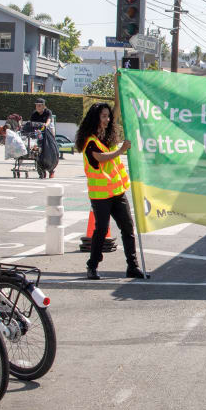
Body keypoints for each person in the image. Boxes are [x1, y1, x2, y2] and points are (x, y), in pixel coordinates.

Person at [75, 102, 143, 280]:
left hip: (117, 192)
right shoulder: (90, 141)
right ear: (95, 118)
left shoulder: (109, 134)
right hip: (101, 196)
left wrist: (117, 80)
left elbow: (118, 107)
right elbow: (100, 158)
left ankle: (133, 266)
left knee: (128, 228)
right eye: (103, 116)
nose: (107, 119)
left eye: (108, 116)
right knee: (101, 230)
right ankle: (92, 266)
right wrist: (121, 150)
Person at [28, 98, 56, 177]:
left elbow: (48, 121)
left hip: (48, 128)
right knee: (36, 149)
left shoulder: (48, 112)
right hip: (38, 131)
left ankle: (51, 169)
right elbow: (31, 123)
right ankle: (40, 168)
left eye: (39, 105)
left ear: (43, 106)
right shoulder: (34, 113)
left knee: (51, 137)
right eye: (36, 105)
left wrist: (45, 126)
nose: (37, 107)